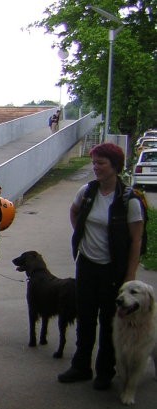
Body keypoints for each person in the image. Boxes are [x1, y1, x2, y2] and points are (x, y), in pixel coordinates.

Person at [58, 143, 143, 390]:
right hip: (86, 264)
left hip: (112, 270)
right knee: (85, 317)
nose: (95, 168)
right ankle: (81, 366)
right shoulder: (87, 191)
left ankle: (105, 371)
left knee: (109, 320)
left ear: (114, 166)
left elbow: (136, 240)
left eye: (101, 163)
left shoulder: (129, 200)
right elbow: (74, 212)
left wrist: (129, 275)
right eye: (94, 163)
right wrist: (82, 237)